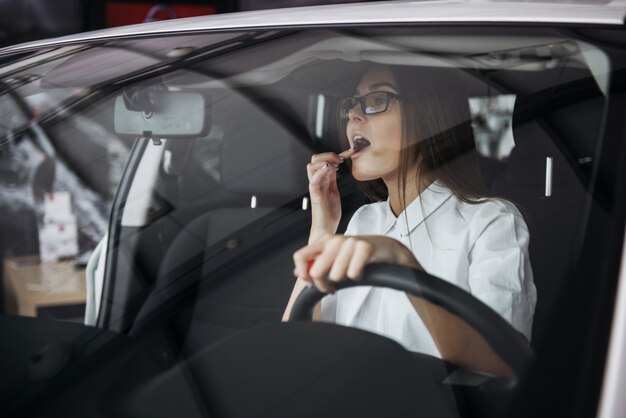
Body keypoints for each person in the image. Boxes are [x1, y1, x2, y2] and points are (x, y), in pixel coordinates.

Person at [283, 64, 536, 377]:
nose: (354, 116)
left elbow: (505, 362)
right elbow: (294, 347)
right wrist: (321, 232)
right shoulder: (364, 220)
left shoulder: (491, 221)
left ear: (428, 114)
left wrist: (400, 258)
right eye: (351, 104)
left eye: (377, 101)